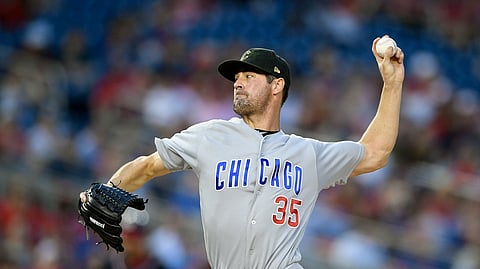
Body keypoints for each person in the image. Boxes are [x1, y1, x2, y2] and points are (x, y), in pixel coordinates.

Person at [80, 35, 405, 269]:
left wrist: (391, 85)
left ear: (277, 86)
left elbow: (375, 152)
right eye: (237, 77)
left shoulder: (308, 154)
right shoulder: (209, 136)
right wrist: (111, 188)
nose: (238, 83)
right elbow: (149, 166)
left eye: (249, 76)